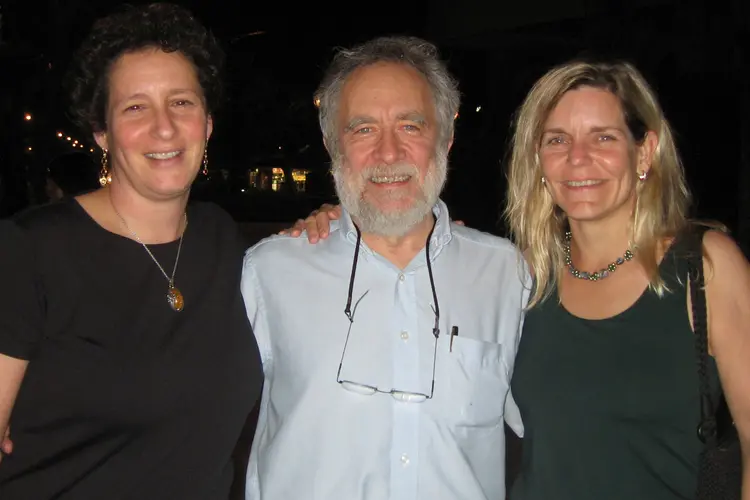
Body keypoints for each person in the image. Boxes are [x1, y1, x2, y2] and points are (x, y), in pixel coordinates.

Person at [291, 59, 750, 499]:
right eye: (556, 140)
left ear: (644, 151)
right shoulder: (521, 275)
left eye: (603, 137)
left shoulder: (704, 268)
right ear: (539, 161)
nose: (578, 159)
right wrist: (342, 220)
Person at [241, 36, 530, 500]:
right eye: (363, 129)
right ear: (333, 144)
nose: (389, 154)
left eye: (411, 126)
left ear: (447, 136)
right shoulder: (269, 272)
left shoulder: (507, 275)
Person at [0, 3, 263, 498]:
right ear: (102, 132)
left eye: (182, 102)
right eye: (135, 107)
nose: (164, 128)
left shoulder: (222, 239)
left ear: (207, 124)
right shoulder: (29, 251)